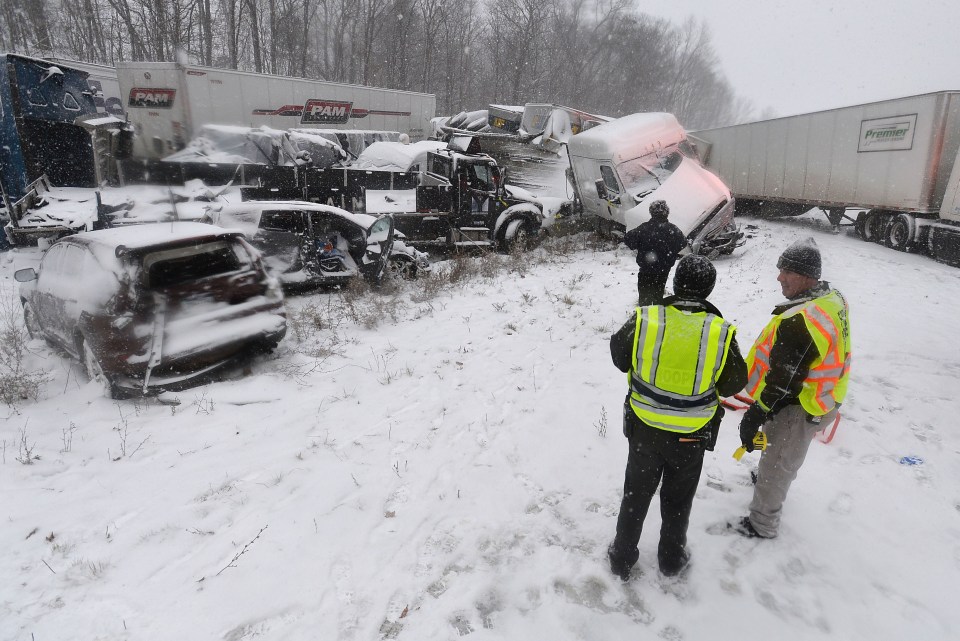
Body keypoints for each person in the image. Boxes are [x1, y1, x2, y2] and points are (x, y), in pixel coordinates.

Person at [608, 255, 747, 579]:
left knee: (636, 494)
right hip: (692, 434)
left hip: (645, 428)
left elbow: (618, 356)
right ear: (708, 289)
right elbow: (734, 383)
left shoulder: (646, 319)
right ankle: (671, 559)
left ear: (674, 282)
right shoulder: (719, 331)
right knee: (678, 499)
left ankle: (622, 557)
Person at [731, 237, 852, 539]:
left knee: (778, 464)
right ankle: (765, 478)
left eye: (786, 271)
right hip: (820, 395)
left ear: (806, 276)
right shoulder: (831, 299)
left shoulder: (802, 322)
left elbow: (782, 383)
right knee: (775, 450)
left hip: (800, 406)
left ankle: (762, 525)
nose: (779, 277)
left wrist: (755, 413)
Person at [623, 200, 690, 306]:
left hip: (646, 270)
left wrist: (640, 245)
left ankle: (645, 316)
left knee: (645, 299)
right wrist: (671, 252)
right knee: (658, 295)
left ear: (651, 212)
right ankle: (657, 315)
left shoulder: (643, 228)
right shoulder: (673, 230)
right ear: (667, 213)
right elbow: (683, 243)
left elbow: (628, 240)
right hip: (663, 270)